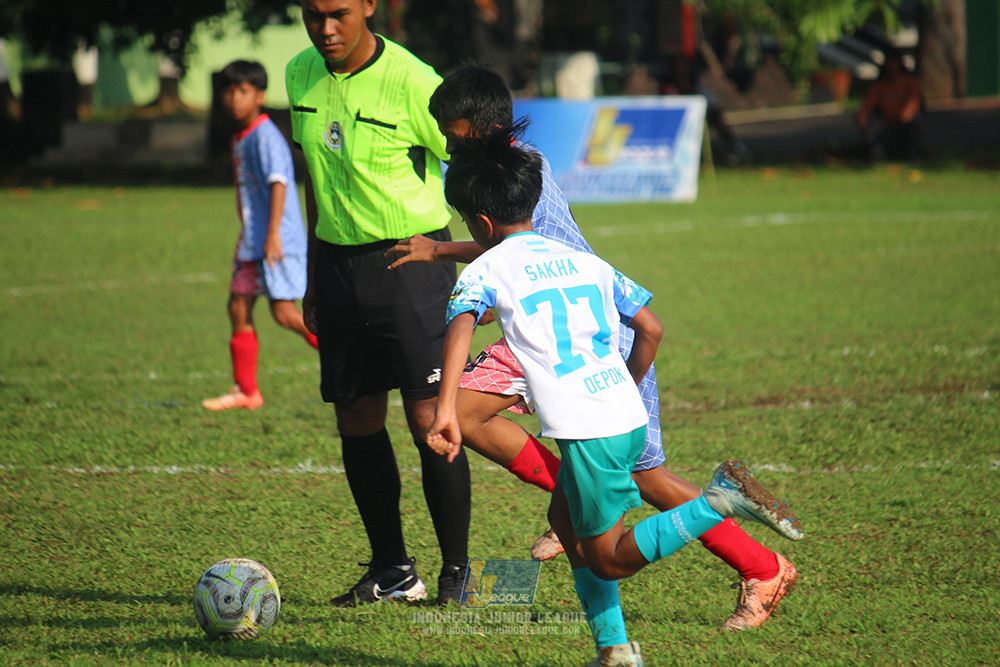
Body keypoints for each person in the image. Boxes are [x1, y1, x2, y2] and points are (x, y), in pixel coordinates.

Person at [387, 64, 799, 631]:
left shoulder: (521, 171)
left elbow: (525, 252)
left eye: (454, 137)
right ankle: (606, 620)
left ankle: (762, 566)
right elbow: (506, 247)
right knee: (461, 414)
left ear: (485, 130)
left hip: (590, 337)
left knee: (647, 482)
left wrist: (445, 258)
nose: (448, 148)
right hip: (553, 336)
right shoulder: (502, 170)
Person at [285, 0, 471, 606]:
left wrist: (474, 263)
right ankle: (393, 571)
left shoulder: (417, 83)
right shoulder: (298, 74)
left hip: (412, 265)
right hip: (339, 268)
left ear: (369, 6)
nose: (326, 28)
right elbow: (314, 176)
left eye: (339, 12)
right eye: (313, 15)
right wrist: (315, 274)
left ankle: (457, 575)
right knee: (356, 418)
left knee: (430, 424)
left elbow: (470, 171)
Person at [202, 60, 318, 412]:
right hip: (253, 240)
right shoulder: (243, 134)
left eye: (243, 91)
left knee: (284, 314)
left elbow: (280, 183)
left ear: (260, 95)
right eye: (229, 91)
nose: (234, 98)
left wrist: (272, 237)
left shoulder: (265, 135)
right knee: (238, 305)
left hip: (274, 240)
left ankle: (348, 359)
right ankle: (247, 391)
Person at [855, 51, 923, 161]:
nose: (892, 67)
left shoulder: (910, 82)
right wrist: (862, 115)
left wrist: (907, 111)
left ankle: (913, 155)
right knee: (872, 124)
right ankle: (878, 157)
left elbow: (915, 99)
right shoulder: (880, 86)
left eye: (894, 64)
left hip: (905, 122)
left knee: (916, 119)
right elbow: (868, 105)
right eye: (889, 64)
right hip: (886, 124)